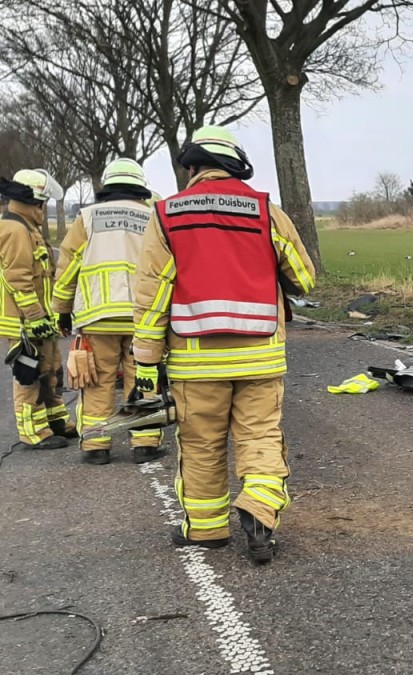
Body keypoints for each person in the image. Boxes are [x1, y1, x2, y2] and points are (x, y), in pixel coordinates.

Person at [132, 126, 316, 564]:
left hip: (196, 363)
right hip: (260, 355)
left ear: (192, 167)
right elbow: (304, 279)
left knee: (200, 444)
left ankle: (206, 530)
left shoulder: (165, 214)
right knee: (260, 436)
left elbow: (153, 296)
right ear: (236, 166)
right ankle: (259, 507)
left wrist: (145, 363)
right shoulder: (265, 211)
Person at [53, 159, 164, 465]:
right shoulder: (153, 217)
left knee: (98, 381)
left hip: (98, 315)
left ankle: (96, 446)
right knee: (143, 379)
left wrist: (61, 310)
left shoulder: (87, 217)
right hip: (144, 317)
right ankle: (144, 444)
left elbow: (68, 266)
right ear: (139, 187)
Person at [1, 169, 74, 449]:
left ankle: (55, 422)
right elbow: (17, 278)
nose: (43, 210)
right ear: (35, 203)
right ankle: (33, 432)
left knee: (49, 369)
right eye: (42, 204)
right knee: (28, 375)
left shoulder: (26, 228)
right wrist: (33, 317)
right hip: (24, 322)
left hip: (39, 319)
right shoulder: (15, 229)